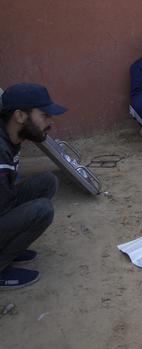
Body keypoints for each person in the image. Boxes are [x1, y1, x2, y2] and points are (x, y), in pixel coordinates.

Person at [0, 83, 66, 289]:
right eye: (44, 115)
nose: (50, 122)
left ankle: (9, 247)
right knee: (41, 211)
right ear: (19, 116)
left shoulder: (11, 135)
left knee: (47, 182)